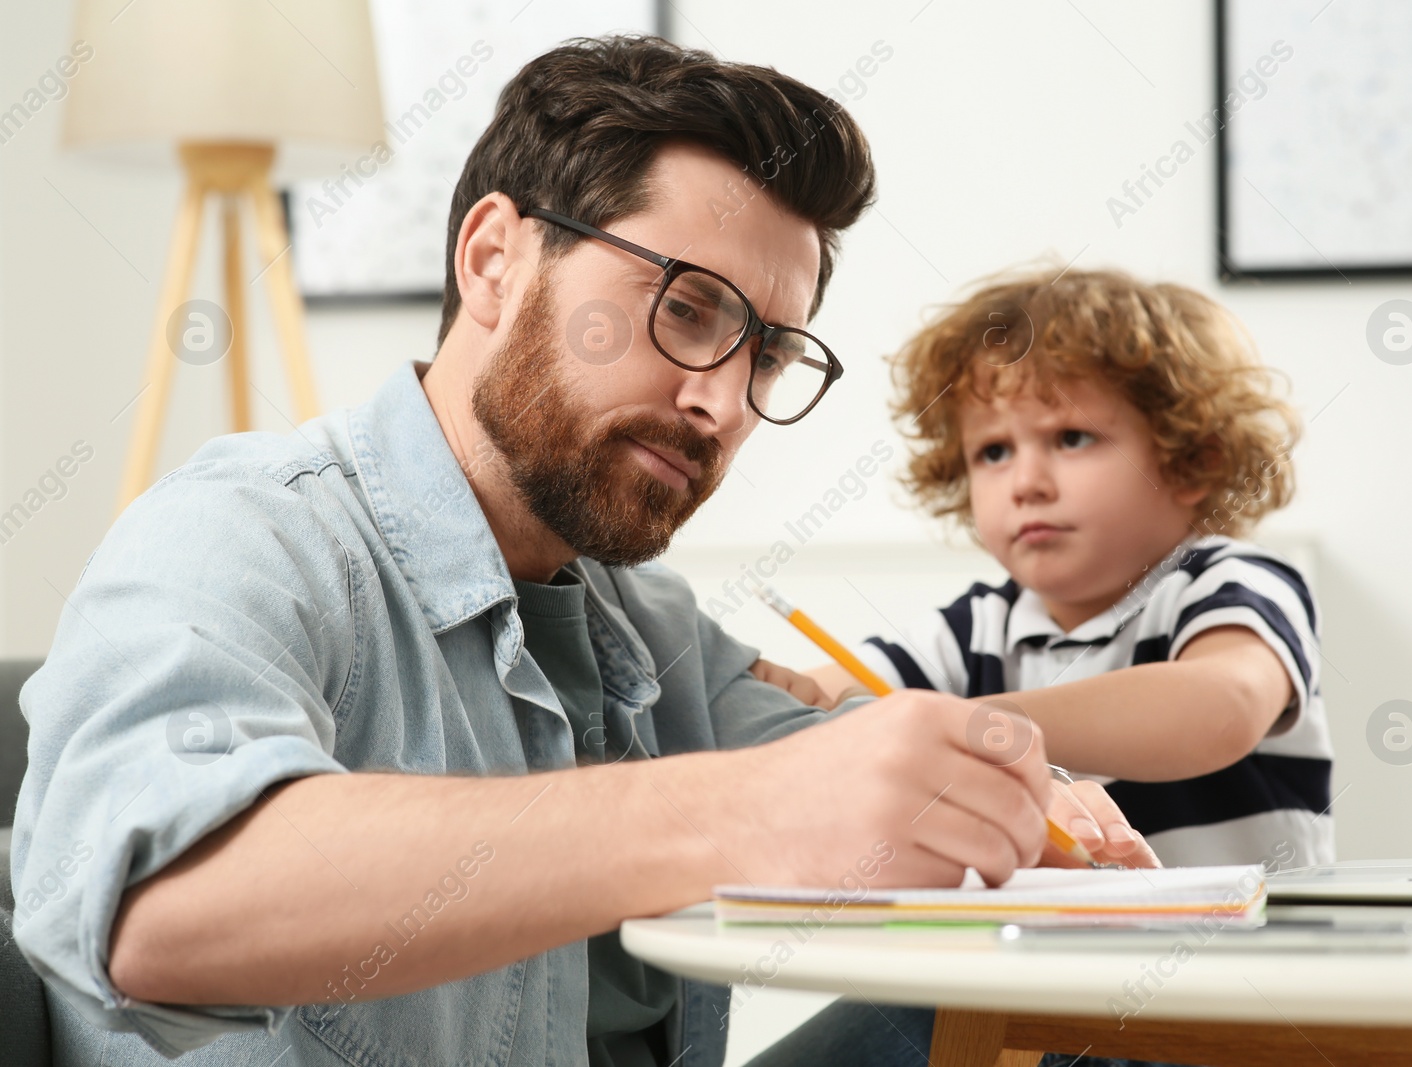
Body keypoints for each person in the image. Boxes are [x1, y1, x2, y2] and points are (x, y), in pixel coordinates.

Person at [9, 37, 1156, 1067]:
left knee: (1084, 1035)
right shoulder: (243, 532)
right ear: (495, 260)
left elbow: (832, 770)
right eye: (687, 308)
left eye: (766, 354)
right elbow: (154, 907)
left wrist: (1005, 800)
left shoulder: (643, 621)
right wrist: (738, 812)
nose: (720, 399)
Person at [805, 268, 1334, 870]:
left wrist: (973, 725)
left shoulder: (1232, 583)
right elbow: (816, 701)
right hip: (1054, 959)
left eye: (1072, 438)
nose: (1026, 484)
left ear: (1191, 462)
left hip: (1243, 954)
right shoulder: (975, 628)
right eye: (994, 452)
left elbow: (1222, 709)